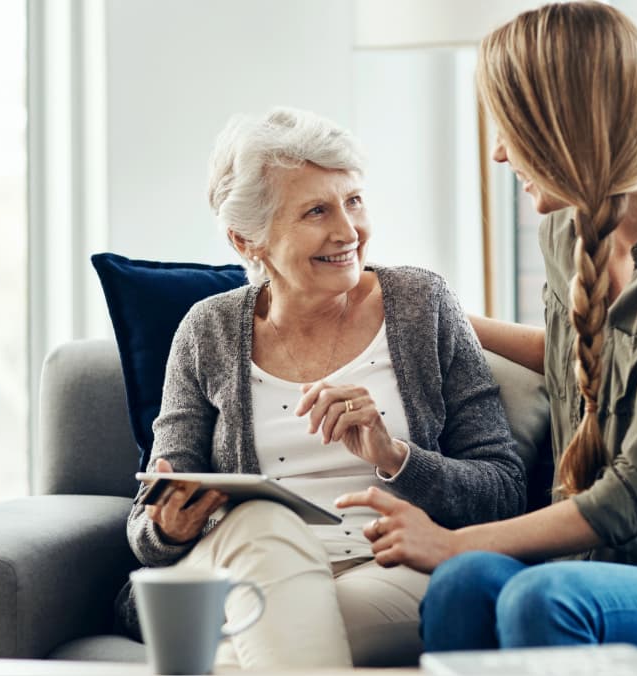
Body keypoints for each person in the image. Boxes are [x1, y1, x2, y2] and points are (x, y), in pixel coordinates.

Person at [335, 1, 637, 666]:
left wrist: (454, 540)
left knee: (537, 597)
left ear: (566, 127)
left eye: (511, 128)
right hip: (584, 567)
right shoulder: (562, 229)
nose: (498, 151)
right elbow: (578, 357)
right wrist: (435, 315)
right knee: (463, 585)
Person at [119, 107, 527, 670]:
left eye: (353, 200)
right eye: (317, 211)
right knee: (262, 526)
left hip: (384, 569)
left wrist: (395, 456)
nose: (348, 231)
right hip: (241, 563)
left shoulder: (423, 305)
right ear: (247, 240)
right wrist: (168, 526)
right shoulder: (206, 330)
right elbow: (148, 522)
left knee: (254, 637)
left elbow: (505, 490)